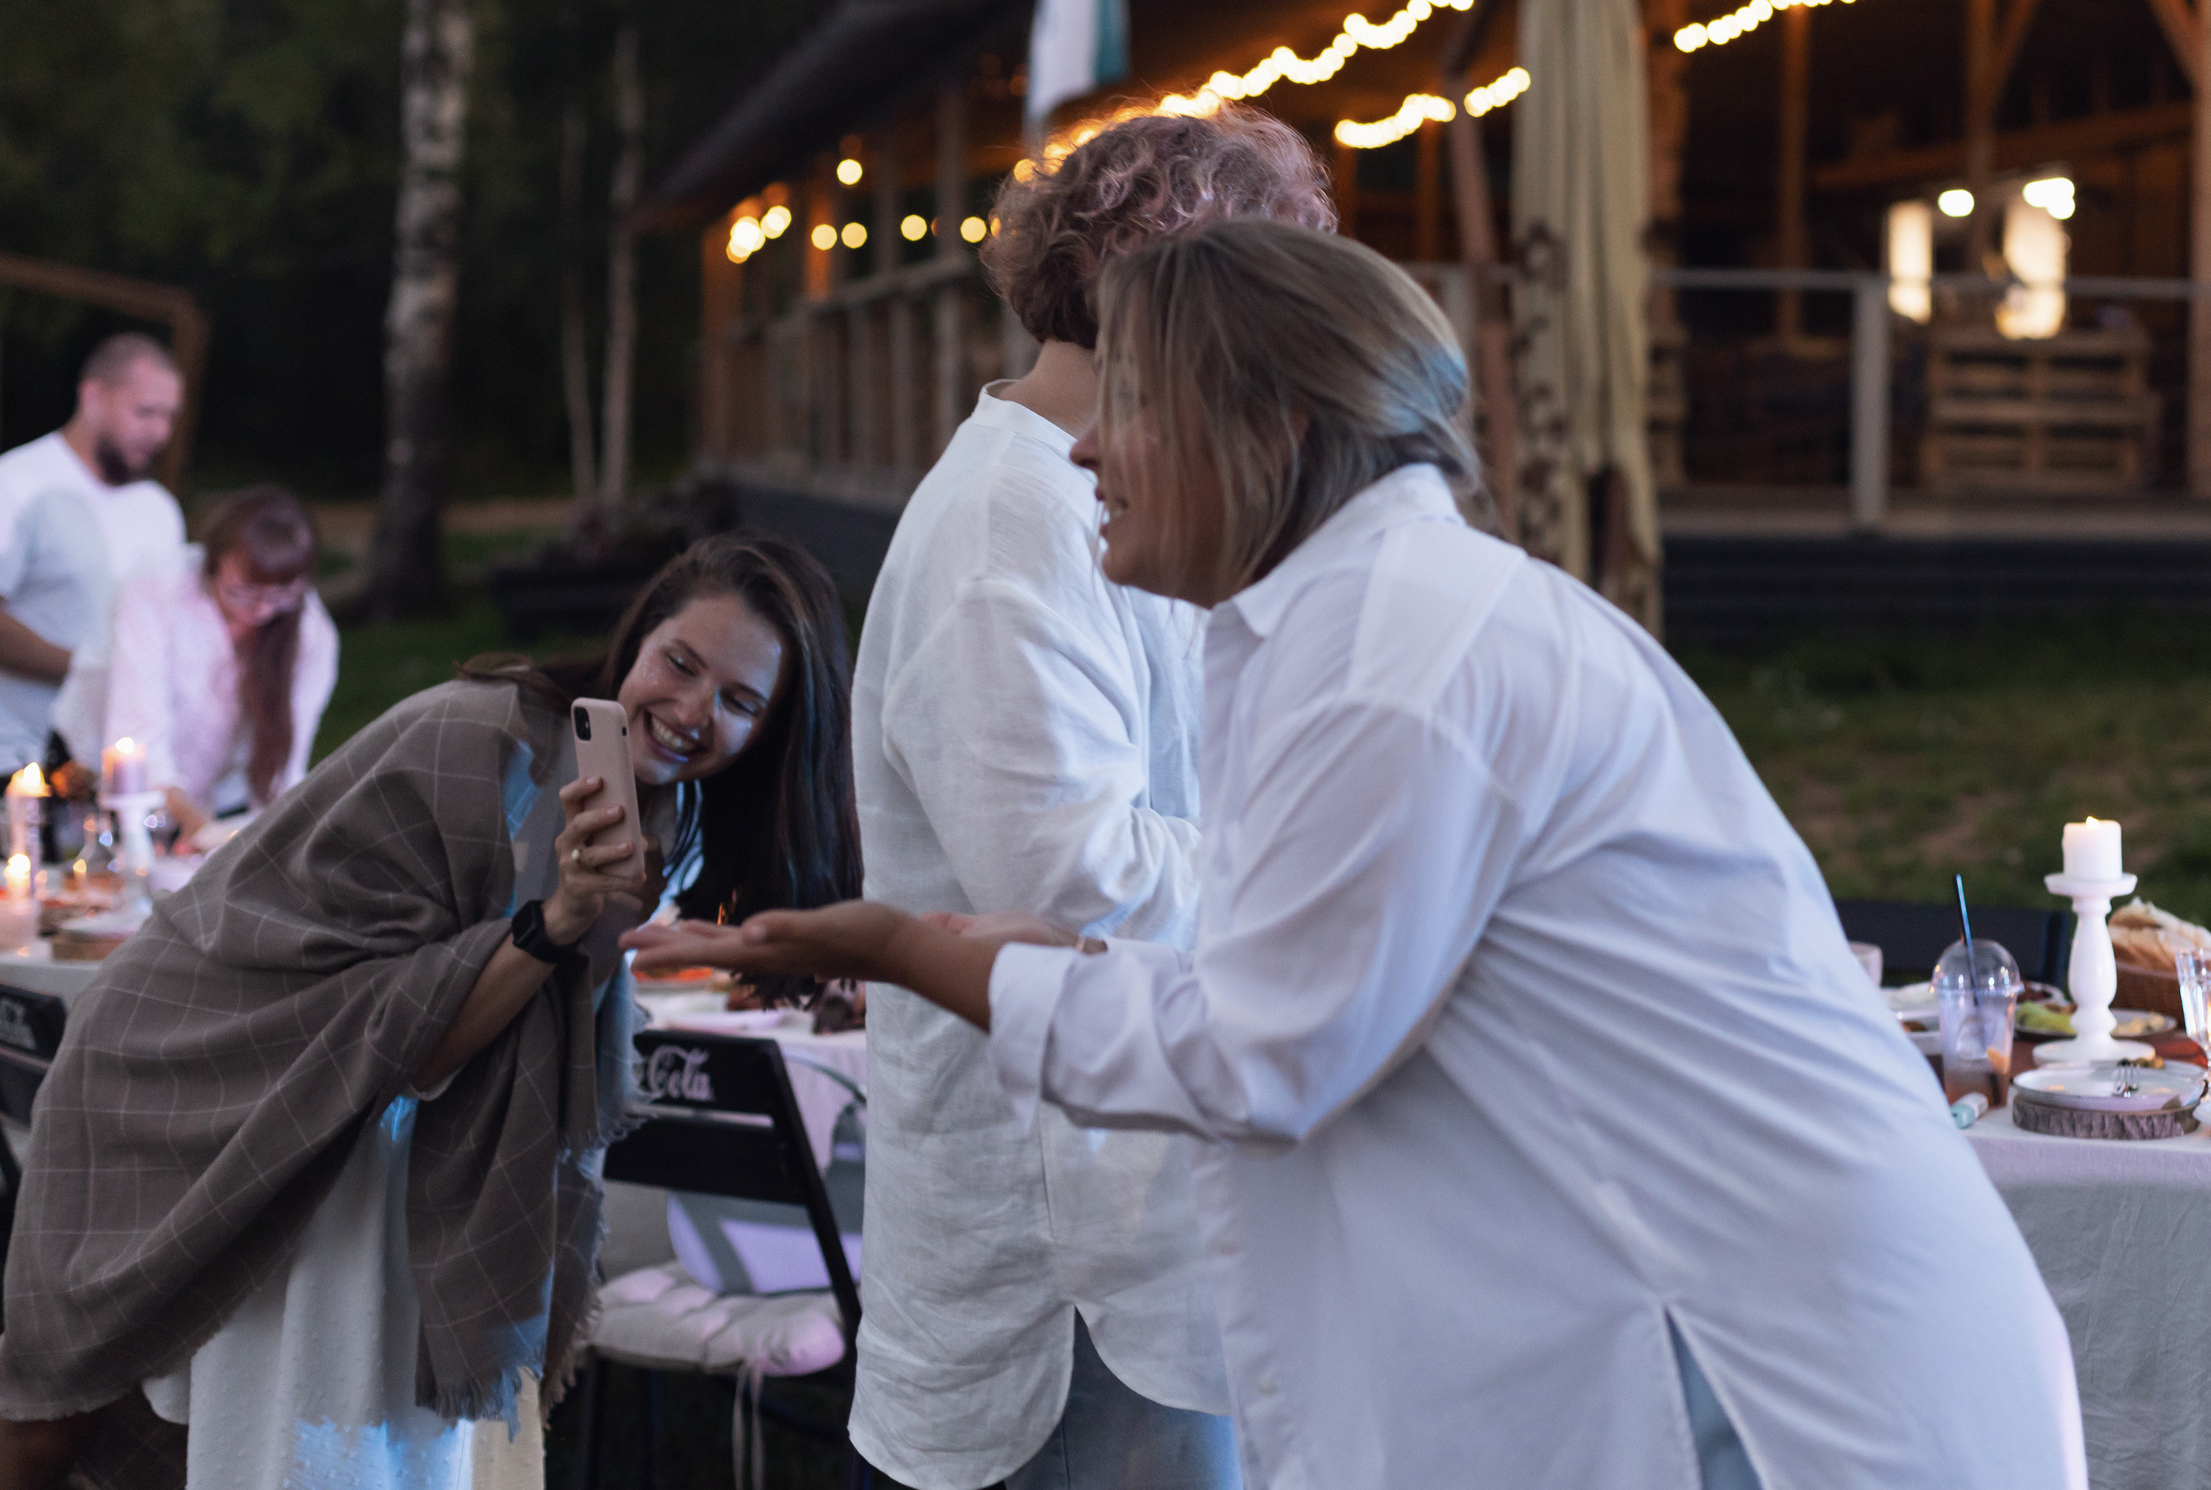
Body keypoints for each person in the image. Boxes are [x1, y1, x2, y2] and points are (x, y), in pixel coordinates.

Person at [632, 222, 2090, 1490]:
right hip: (1678, 1327)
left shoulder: (1401, 655)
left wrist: (896, 944)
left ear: (1257, 432)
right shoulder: (1331, 630)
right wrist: (903, 940)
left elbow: (1260, 1048)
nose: (1080, 446)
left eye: (1126, 402)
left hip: (1759, 1371)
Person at [0, 532, 860, 1490]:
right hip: (170, 1065)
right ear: (638, 637)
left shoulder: (661, 813)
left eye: (740, 702)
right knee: (56, 1407)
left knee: (196, 1416)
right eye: (681, 663)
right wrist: (557, 921)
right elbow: (400, 1036)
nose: (693, 711)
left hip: (328, 1120)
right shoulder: (478, 740)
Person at [841, 106, 1333, 1490]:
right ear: (1177, 294)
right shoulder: (1013, 523)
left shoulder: (1107, 495)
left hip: (1157, 1229)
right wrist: (1328, 857)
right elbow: (1072, 889)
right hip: (1068, 1289)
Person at [50, 484, 338, 846]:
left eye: (281, 596)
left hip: (215, 795)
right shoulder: (157, 588)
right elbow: (138, 736)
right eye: (243, 591)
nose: (262, 610)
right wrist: (195, 827)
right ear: (214, 562)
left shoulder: (312, 631)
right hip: (97, 782)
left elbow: (287, 763)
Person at [0, 334, 187, 769]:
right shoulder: (17, 484)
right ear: (92, 396)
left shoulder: (159, 509)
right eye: (145, 412)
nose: (159, 432)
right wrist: (88, 672)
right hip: (16, 758)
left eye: (169, 416)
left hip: (117, 766)